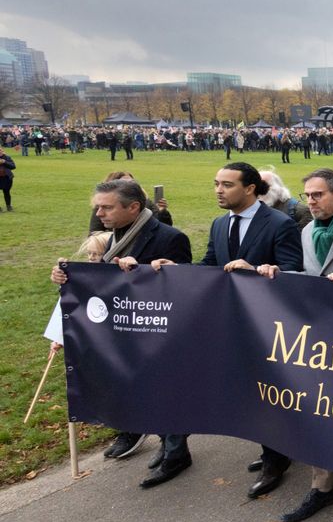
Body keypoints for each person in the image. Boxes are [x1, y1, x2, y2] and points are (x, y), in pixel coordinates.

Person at [158, 162, 302, 498]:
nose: (219, 190)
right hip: (231, 322)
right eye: (216, 184)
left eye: (227, 184)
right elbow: (211, 265)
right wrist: (175, 271)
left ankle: (275, 459)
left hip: (269, 326)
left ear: (250, 188)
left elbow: (294, 271)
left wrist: (258, 271)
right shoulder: (219, 223)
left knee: (270, 394)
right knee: (249, 392)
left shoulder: (280, 224)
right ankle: (273, 449)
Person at [50, 179, 193, 482]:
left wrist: (141, 270)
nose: (99, 213)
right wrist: (66, 277)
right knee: (143, 392)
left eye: (106, 207)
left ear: (133, 207)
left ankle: (176, 452)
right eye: (97, 207)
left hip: (159, 335)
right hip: (123, 334)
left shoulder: (169, 237)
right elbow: (99, 284)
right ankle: (167, 445)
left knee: (166, 393)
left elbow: (185, 287)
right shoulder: (112, 237)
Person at [256, 168, 333, 522]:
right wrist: (277, 275)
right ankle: (324, 487)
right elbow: (309, 278)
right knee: (318, 408)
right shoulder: (307, 231)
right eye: (307, 195)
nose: (311, 201)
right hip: (321, 340)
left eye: (318, 194)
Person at [88, 172, 172, 233]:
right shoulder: (102, 207)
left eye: (132, 182)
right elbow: (94, 234)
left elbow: (162, 229)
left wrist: (162, 211)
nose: (99, 213)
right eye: (124, 182)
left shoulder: (146, 202)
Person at [0, 147, 16, 212]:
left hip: (6, 178)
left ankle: (8, 206)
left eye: (0, 151)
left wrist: (4, 162)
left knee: (6, 192)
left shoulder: (7, 157)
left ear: (2, 151)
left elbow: (13, 166)